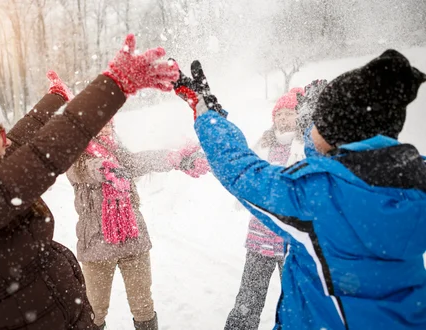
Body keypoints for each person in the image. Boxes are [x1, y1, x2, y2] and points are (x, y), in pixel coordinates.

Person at [0, 34, 179, 330]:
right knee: (101, 309)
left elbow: (21, 142)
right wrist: (114, 84)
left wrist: (55, 98)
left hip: (66, 306)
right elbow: (42, 155)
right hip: (78, 274)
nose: (5, 138)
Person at [173, 51, 426, 329]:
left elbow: (242, 171)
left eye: (316, 121)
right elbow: (334, 161)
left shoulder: (317, 196)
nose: (310, 125)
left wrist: (207, 115)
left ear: (334, 133)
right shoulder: (415, 182)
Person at [67, 118, 209, 330]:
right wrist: (105, 169)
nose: (105, 128)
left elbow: (140, 160)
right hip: (97, 245)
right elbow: (82, 170)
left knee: (143, 305)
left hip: (132, 239)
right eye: (100, 123)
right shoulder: (76, 157)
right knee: (94, 311)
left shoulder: (119, 154)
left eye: (108, 124)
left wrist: (174, 159)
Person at [225, 88, 307, 330]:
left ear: (299, 115)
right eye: (278, 114)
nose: (282, 118)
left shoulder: (306, 145)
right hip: (259, 237)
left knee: (296, 304)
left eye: (288, 113)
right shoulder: (263, 145)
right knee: (247, 301)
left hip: (292, 241)